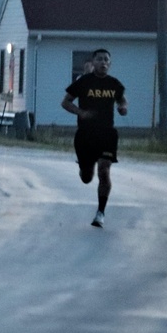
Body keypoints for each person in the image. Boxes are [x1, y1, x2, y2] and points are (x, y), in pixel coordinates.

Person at [61, 48, 128, 228]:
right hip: (85, 135)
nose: (103, 62)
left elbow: (122, 100)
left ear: (110, 64)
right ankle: (84, 167)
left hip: (107, 134)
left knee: (104, 171)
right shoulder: (84, 82)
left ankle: (100, 212)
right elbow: (65, 102)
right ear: (93, 62)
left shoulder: (114, 84)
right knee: (87, 177)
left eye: (106, 60)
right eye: (100, 59)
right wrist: (80, 112)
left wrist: (122, 108)